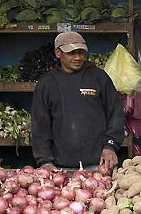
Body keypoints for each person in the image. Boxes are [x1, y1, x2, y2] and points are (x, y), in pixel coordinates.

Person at [30, 31, 124, 173]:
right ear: (58, 52)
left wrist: (110, 146)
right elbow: (40, 125)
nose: (78, 57)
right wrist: (45, 161)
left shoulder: (99, 77)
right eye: (72, 53)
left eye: (81, 53)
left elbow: (115, 114)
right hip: (59, 168)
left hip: (98, 165)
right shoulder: (47, 83)